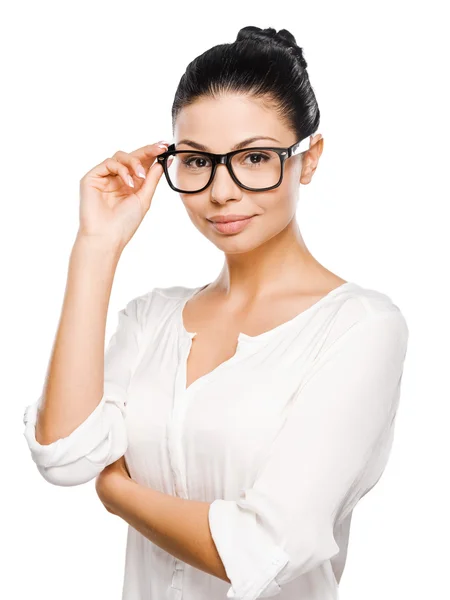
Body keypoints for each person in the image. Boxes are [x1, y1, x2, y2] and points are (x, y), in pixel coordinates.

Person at [22, 25, 409, 600]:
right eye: (198, 161)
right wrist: (96, 247)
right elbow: (63, 453)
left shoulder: (359, 328)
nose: (221, 190)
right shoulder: (151, 319)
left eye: (254, 157)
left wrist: (118, 494)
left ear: (308, 159)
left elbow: (263, 547)